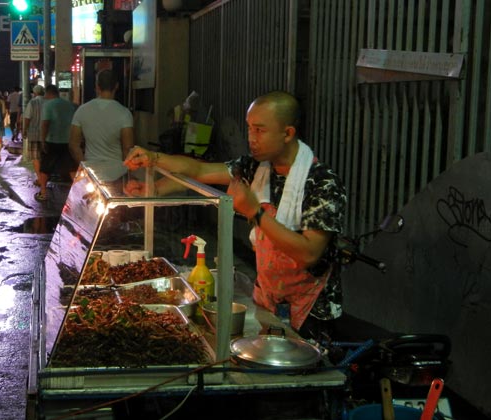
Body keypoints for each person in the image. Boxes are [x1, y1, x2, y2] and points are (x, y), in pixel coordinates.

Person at [124, 91, 347, 339]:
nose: (251, 138)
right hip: (270, 299)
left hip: (313, 312)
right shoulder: (256, 167)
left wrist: (255, 211)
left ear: (288, 133)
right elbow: (200, 170)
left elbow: (309, 253)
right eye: (249, 128)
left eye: (260, 130)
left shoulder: (322, 183)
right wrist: (153, 159)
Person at [69, 69, 134, 183]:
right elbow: (127, 147)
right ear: (117, 86)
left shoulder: (82, 111)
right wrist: (127, 169)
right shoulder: (124, 113)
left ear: (97, 87)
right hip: (117, 173)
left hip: (91, 172)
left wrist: (85, 166)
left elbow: (73, 145)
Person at [36, 84, 76, 202]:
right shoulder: (69, 105)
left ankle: (43, 193)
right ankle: (76, 195)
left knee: (45, 168)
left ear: (48, 93)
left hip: (52, 140)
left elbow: (45, 124)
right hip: (67, 141)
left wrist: (42, 140)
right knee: (71, 168)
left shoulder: (48, 105)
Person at [22, 84, 46, 187]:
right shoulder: (48, 102)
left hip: (34, 134)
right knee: (44, 157)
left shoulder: (32, 102)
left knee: (35, 157)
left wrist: (24, 130)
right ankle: (44, 178)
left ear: (35, 93)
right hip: (47, 135)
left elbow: (27, 118)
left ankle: (40, 179)